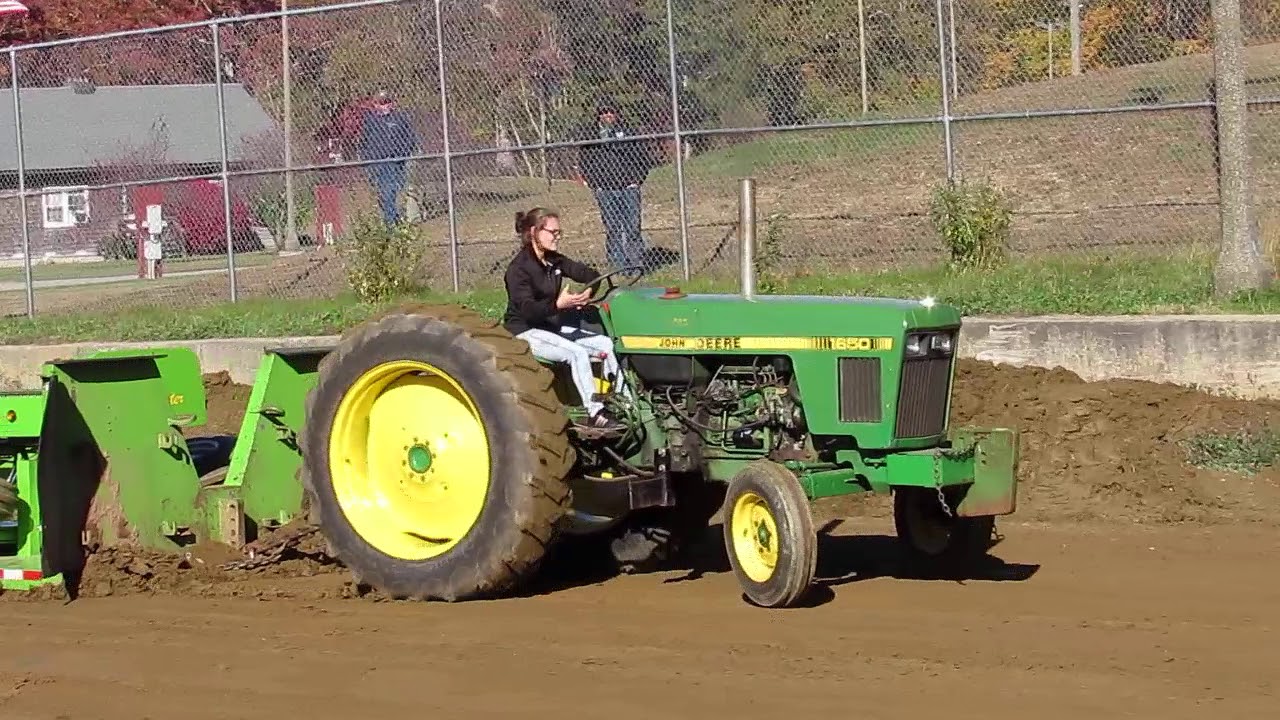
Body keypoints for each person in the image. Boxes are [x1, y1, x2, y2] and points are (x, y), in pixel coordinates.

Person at [502, 207, 627, 431]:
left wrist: (588, 291)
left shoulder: (554, 261)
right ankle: (595, 413)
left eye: (559, 233)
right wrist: (558, 305)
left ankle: (624, 403)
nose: (557, 237)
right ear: (534, 232)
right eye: (553, 232)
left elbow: (589, 273)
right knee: (576, 353)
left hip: (551, 328)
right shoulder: (518, 269)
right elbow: (528, 310)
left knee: (605, 344)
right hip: (524, 331)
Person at [577, 96, 657, 273]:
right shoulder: (591, 134)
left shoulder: (628, 132)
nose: (608, 115)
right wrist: (594, 183)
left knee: (632, 226)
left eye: (611, 112)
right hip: (605, 190)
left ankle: (635, 264)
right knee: (613, 227)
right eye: (604, 112)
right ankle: (617, 267)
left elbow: (643, 157)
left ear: (617, 114)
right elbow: (584, 161)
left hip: (628, 188)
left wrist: (636, 180)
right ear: (598, 115)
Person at [358, 91, 418, 225]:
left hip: (394, 161)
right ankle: (393, 219)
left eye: (386, 102)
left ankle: (391, 222)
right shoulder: (370, 120)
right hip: (376, 162)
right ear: (375, 104)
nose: (384, 105)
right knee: (383, 194)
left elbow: (410, 138)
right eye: (381, 103)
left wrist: (402, 154)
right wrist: (365, 159)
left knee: (390, 191)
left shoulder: (399, 118)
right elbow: (363, 141)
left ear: (391, 104)